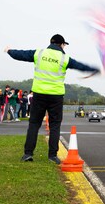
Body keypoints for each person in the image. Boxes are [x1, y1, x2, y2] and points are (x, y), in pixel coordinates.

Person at [5, 34, 99, 164]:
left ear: (51, 42)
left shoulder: (39, 53)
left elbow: (20, 54)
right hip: (56, 96)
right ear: (62, 44)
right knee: (55, 125)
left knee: (34, 124)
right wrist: (93, 69)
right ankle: (52, 156)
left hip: (39, 94)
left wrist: (9, 51)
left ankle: (28, 154)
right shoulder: (64, 58)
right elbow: (79, 66)